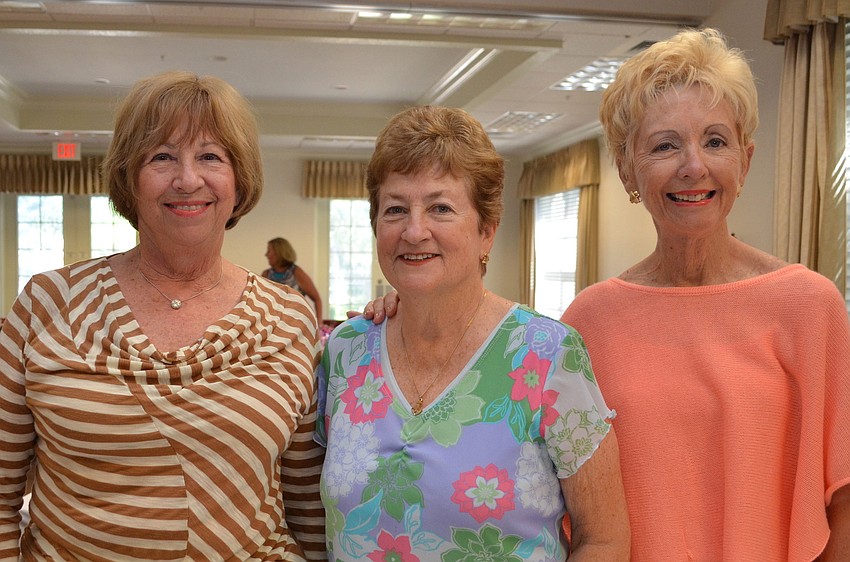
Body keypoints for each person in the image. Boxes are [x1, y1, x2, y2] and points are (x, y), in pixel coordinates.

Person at [0, 71, 325, 560]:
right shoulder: (49, 302)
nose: (188, 178)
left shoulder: (290, 319)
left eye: (211, 156)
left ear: (240, 181)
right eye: (162, 156)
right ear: (130, 180)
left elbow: (305, 502)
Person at [561, 28, 849, 560]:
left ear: (746, 158)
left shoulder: (810, 307)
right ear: (627, 169)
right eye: (665, 145)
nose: (693, 165)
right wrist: (398, 319)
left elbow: (844, 499)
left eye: (715, 141)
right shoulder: (588, 321)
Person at [315, 105, 629, 560]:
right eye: (395, 209)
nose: (414, 230)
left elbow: (605, 539)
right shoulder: (345, 352)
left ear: (487, 232)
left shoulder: (547, 355)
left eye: (440, 208)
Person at [263, 237, 324, 326]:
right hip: (272, 323)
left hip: (295, 323)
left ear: (279, 252)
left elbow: (317, 299)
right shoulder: (266, 274)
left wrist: (319, 323)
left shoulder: (296, 272)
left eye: (269, 251)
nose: (266, 255)